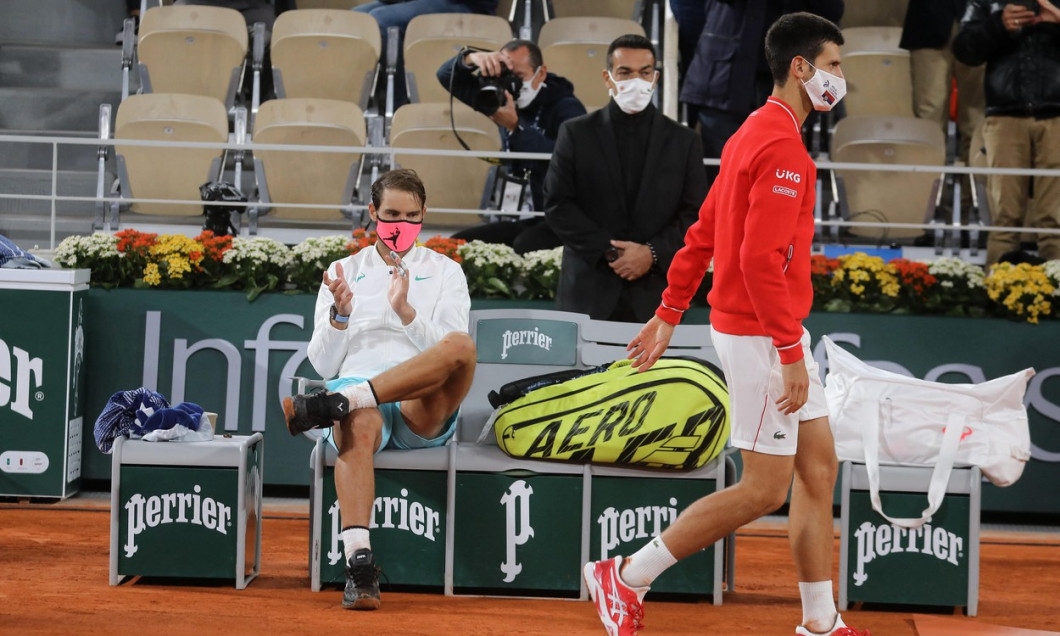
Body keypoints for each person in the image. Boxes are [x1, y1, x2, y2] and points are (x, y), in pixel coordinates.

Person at [583, 13, 870, 636]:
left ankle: (821, 622)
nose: (839, 80)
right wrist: (790, 351)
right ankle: (627, 575)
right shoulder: (783, 148)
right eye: (835, 66)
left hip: (766, 330)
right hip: (764, 335)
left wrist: (666, 314)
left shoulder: (750, 132)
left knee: (818, 469)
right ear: (801, 67)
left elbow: (703, 233)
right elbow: (757, 260)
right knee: (766, 488)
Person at [282, 168, 476, 611]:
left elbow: (448, 355)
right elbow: (324, 362)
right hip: (358, 393)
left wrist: (406, 311)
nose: (400, 224)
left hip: (421, 403)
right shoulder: (341, 272)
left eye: (411, 215)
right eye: (391, 213)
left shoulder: (447, 272)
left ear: (424, 215)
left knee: (462, 346)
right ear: (373, 213)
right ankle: (360, 566)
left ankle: (338, 403)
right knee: (359, 420)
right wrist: (341, 316)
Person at [544, 34, 707, 323]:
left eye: (645, 73)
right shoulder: (575, 133)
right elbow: (558, 205)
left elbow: (695, 214)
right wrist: (610, 252)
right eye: (625, 72)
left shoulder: (684, 141)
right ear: (608, 78)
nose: (637, 81)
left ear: (655, 78)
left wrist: (651, 253)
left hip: (657, 295)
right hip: (587, 291)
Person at [438, 39, 586, 254]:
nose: (511, 85)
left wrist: (516, 127)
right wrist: (471, 58)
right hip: (518, 214)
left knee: (525, 245)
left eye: (518, 77)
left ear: (541, 73)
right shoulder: (500, 98)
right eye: (506, 76)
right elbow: (446, 76)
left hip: (559, 215)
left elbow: (567, 159)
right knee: (458, 245)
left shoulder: (567, 107)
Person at [679, 1, 844, 184]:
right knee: (724, 185)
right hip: (722, 82)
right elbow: (688, 12)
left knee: (780, 185)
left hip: (789, 87)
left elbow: (833, 10)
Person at [953, 0, 1060, 264]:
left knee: (1055, 220)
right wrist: (997, 24)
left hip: (1057, 116)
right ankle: (997, 295)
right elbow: (964, 49)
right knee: (1004, 217)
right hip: (1004, 117)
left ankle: (1057, 295)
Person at [355, 0, 500, 108]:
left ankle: (396, 105)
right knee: (357, 17)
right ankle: (358, 102)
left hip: (468, 4)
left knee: (381, 20)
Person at [900, 0, 985, 165]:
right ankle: (932, 190)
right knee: (930, 123)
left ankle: (972, 190)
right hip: (928, 20)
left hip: (980, 21)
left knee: (976, 122)